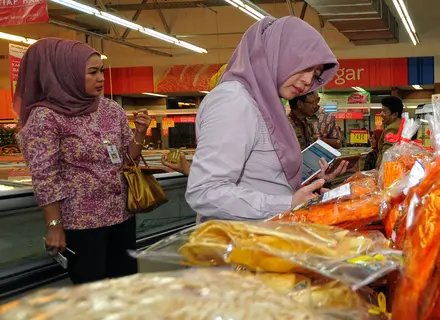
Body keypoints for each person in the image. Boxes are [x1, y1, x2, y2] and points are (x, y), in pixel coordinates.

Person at [14, 38, 152, 284]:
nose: (101, 78)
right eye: (92, 72)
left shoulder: (111, 110)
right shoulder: (45, 117)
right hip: (81, 223)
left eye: (101, 71)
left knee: (127, 286)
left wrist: (140, 133)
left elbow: (126, 159)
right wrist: (54, 225)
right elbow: (45, 175)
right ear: (67, 74)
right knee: (92, 293)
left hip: (122, 215)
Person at [186, 17, 347, 222]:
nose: (308, 81)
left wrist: (310, 186)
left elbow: (264, 179)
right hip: (236, 247)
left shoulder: (267, 105)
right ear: (278, 54)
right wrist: (287, 204)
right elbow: (205, 192)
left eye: (315, 74)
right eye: (304, 66)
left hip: (262, 241)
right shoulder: (234, 101)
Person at [377, 96, 404, 166]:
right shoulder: (402, 124)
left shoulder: (393, 128)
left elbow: (386, 154)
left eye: (384, 111)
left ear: (395, 115)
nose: (381, 114)